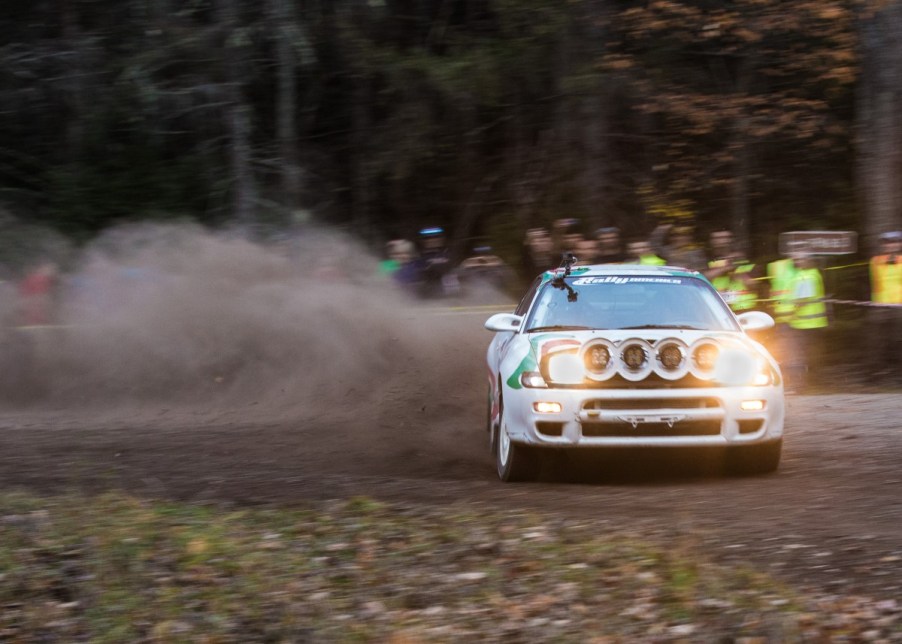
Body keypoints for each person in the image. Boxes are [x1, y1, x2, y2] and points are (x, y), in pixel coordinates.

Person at [783, 249, 828, 392]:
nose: (797, 262)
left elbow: (801, 300)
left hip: (805, 323)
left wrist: (789, 314)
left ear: (809, 260)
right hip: (810, 323)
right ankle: (811, 383)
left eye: (800, 259)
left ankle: (799, 385)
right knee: (810, 355)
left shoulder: (808, 276)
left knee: (798, 355)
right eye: (795, 259)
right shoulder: (807, 274)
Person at [868, 231, 902, 379]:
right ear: (883, 245)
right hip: (881, 307)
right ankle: (877, 373)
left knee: (899, 340)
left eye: (895, 242)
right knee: (879, 341)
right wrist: (875, 305)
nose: (892, 245)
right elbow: (874, 283)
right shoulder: (875, 261)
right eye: (888, 242)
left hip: (900, 307)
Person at [705, 230, 759, 312]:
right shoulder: (710, 263)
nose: (721, 241)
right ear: (712, 241)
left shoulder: (742, 260)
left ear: (731, 240)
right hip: (720, 309)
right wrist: (725, 269)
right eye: (717, 238)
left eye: (724, 238)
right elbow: (704, 277)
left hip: (744, 308)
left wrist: (737, 272)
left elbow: (754, 286)